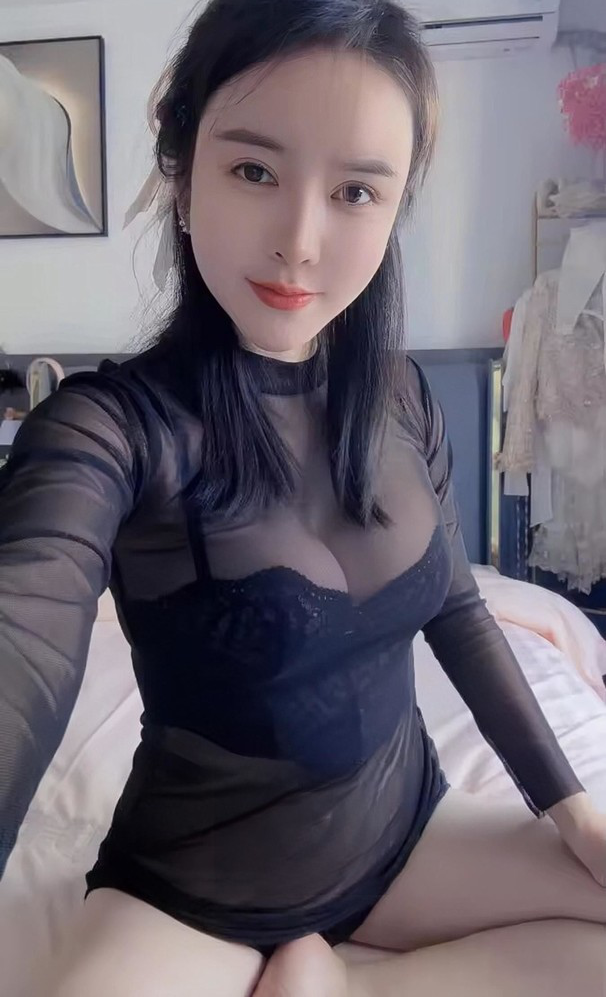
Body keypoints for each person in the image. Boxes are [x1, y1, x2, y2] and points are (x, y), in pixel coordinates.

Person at [0, 2, 604, 995]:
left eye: (356, 191)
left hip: (405, 835)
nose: (301, 241)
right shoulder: (112, 429)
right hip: (196, 890)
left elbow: (458, 608)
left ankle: (339, 981)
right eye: (253, 171)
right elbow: (20, 637)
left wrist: (573, 812)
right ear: (181, 172)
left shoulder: (404, 399)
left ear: (395, 206)